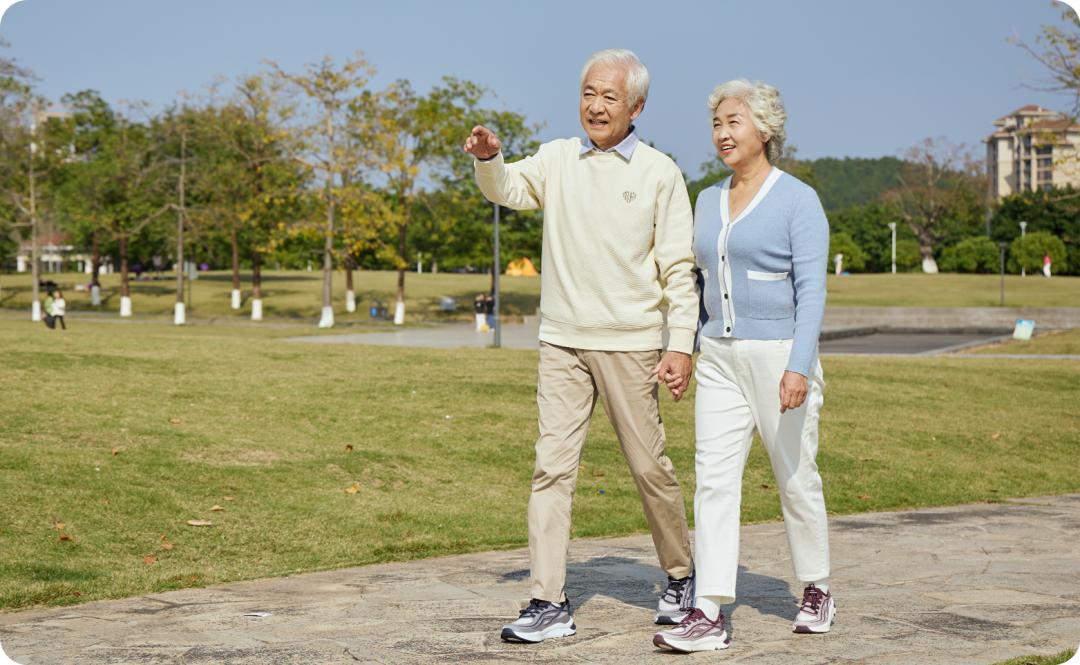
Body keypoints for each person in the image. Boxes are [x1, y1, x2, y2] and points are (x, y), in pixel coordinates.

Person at [464, 48, 698, 643]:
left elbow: (678, 269)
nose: (595, 105)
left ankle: (681, 575)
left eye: (609, 96)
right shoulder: (556, 158)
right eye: (589, 93)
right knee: (550, 471)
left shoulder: (660, 173)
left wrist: (681, 345)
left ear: (636, 106)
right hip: (562, 342)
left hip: (632, 344)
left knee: (650, 468)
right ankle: (548, 601)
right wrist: (490, 160)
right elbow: (509, 187)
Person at [654, 79, 833, 652]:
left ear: (765, 128)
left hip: (780, 355)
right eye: (716, 124)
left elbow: (812, 291)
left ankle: (816, 587)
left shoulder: (797, 199)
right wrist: (682, 347)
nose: (722, 134)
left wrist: (799, 366)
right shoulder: (706, 198)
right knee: (713, 480)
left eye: (733, 122)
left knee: (795, 476)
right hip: (720, 359)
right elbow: (697, 278)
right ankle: (709, 609)